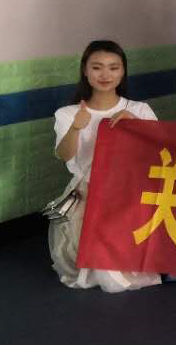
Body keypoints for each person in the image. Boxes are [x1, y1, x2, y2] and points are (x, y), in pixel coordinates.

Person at [49, 40, 160, 293]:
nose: (105, 75)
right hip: (87, 190)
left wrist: (136, 125)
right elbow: (63, 155)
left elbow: (159, 153)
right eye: (97, 67)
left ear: (123, 72)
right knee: (89, 256)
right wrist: (76, 127)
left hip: (130, 191)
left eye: (113, 67)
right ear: (85, 71)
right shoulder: (68, 113)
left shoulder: (138, 109)